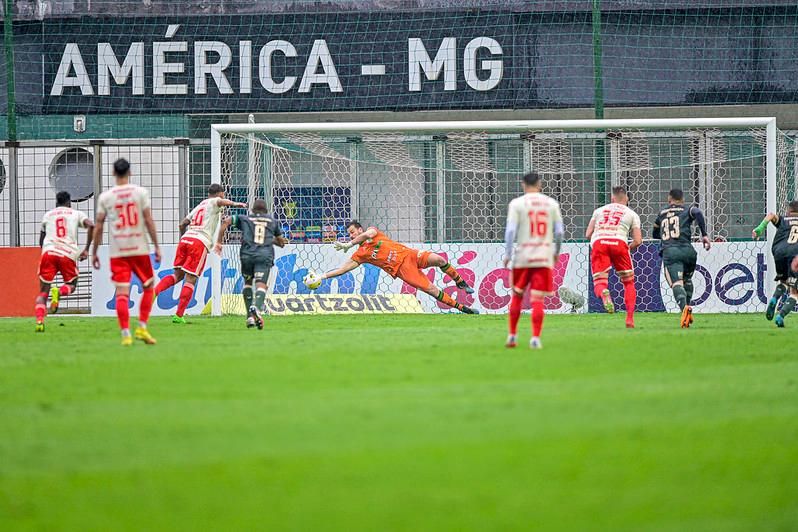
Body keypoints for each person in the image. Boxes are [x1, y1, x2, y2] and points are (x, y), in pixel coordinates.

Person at [318, 222, 478, 314]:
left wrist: (349, 244)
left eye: (353, 232)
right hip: (403, 270)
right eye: (350, 235)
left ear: (360, 229)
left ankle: (460, 282)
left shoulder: (373, 233)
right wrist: (321, 277)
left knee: (439, 259)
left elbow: (368, 234)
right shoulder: (360, 254)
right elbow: (342, 270)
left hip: (410, 254)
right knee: (432, 290)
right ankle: (463, 308)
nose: (352, 236)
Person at [91, 158, 161, 346]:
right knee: (149, 287)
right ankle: (142, 327)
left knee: (122, 291)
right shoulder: (140, 193)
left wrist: (94, 251)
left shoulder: (106, 197)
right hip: (139, 248)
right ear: (130, 172)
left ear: (113, 173)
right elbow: (148, 220)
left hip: (118, 251)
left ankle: (125, 334)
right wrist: (157, 246)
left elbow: (98, 226)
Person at [153, 184, 246, 323]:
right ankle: (178, 316)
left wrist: (187, 237)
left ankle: (153, 292)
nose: (224, 197)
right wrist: (236, 204)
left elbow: (182, 224)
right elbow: (220, 202)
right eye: (223, 195)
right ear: (220, 194)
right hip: (199, 242)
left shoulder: (199, 206)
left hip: (185, 239)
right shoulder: (214, 201)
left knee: (177, 275)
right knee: (191, 279)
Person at [502, 172, 564, 349]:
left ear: (523, 185)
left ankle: (512, 336)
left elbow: (510, 232)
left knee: (517, 296)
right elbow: (559, 232)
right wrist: (556, 252)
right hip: (543, 256)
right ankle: (535, 338)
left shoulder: (517, 204)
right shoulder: (551, 203)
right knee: (538, 300)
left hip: (523, 256)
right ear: (540, 184)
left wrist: (508, 254)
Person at [217, 199, 288, 329]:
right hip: (264, 255)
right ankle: (257, 307)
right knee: (261, 285)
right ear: (266, 210)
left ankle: (250, 316)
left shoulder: (245, 218)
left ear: (253, 210)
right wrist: (273, 240)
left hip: (247, 255)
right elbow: (281, 242)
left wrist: (219, 242)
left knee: (248, 283)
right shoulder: (272, 221)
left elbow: (227, 221)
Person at [34, 191, 94, 331]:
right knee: (72, 284)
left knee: (43, 293)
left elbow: (41, 240)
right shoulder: (75, 213)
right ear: (69, 202)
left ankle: (39, 321)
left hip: (49, 252)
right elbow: (91, 225)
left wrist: (46, 251)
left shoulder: (48, 215)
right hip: (67, 254)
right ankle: (59, 292)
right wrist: (86, 249)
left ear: (57, 202)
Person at [653, 188, 711, 328]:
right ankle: (687, 309)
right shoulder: (687, 209)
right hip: (688, 251)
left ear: (669, 198)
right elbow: (697, 212)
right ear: (682, 199)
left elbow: (655, 233)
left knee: (677, 284)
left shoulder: (662, 213)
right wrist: (704, 234)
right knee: (687, 280)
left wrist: (665, 236)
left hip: (671, 252)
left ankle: (684, 309)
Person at [585, 186, 642, 328]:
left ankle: (604, 294)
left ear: (612, 199)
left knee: (600, 282)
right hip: (619, 242)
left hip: (599, 242)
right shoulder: (631, 214)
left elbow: (588, 234)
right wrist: (627, 248)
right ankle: (629, 320)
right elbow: (638, 240)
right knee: (628, 283)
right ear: (627, 199)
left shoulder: (598, 211)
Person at [752, 201, 798, 327]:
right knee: (794, 292)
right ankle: (781, 316)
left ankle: (774, 299)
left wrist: (760, 228)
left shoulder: (783, 219)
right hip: (795, 254)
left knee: (783, 281)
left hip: (779, 252)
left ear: (789, 211)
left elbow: (771, 215)